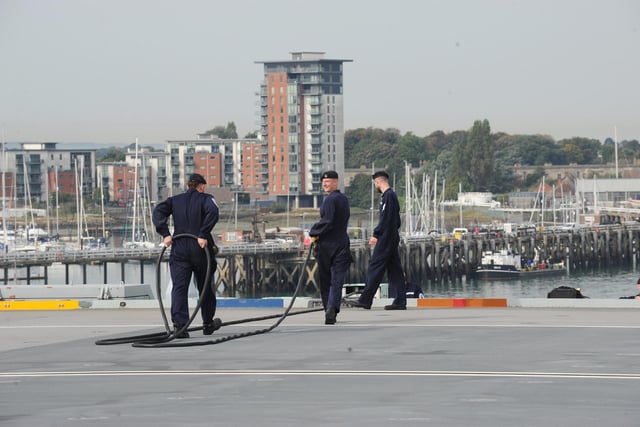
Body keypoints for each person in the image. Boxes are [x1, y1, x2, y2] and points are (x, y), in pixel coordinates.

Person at [152, 173, 220, 338]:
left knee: (179, 288)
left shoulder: (175, 200)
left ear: (189, 185)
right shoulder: (206, 199)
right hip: (200, 248)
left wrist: (165, 233)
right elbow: (214, 212)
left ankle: (180, 326)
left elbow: (158, 212)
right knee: (205, 287)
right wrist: (203, 234)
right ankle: (207, 323)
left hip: (180, 248)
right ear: (201, 186)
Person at [350, 170, 407, 310]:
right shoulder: (391, 196)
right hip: (391, 236)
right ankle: (400, 300)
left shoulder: (388, 196)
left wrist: (377, 234)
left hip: (386, 238)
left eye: (374, 183)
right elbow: (397, 220)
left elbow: (386, 218)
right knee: (395, 271)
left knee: (375, 267)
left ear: (378, 182)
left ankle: (366, 299)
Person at [309, 170, 352, 325]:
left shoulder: (329, 200)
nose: (325, 184)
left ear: (336, 182)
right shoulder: (344, 199)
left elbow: (327, 221)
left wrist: (313, 231)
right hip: (342, 242)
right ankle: (332, 307)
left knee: (326, 280)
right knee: (337, 279)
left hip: (327, 245)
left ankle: (329, 308)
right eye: (323, 182)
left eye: (328, 181)